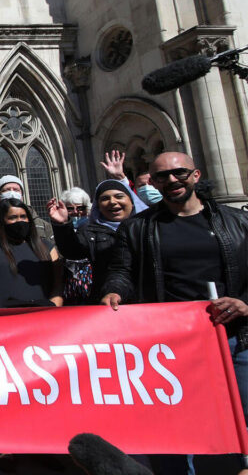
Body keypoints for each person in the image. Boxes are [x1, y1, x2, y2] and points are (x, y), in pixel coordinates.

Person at [102, 152, 248, 475]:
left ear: (195, 175)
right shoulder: (137, 227)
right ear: (151, 183)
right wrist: (113, 292)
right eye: (161, 177)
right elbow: (122, 270)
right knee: (175, 426)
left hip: (235, 337)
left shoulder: (236, 221)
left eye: (179, 173)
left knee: (244, 416)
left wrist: (244, 304)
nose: (171, 181)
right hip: (171, 345)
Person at [0, 168, 63, 309]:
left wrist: (52, 307)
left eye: (23, 217)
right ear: (2, 221)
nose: (19, 221)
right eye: (13, 217)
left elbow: (57, 286)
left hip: (37, 319)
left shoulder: (47, 248)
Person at [49, 179, 148, 305]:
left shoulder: (149, 227)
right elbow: (72, 250)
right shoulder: (91, 232)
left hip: (149, 301)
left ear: (132, 202)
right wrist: (62, 224)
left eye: (119, 196)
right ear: (98, 206)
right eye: (105, 198)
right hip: (109, 301)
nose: (112, 202)